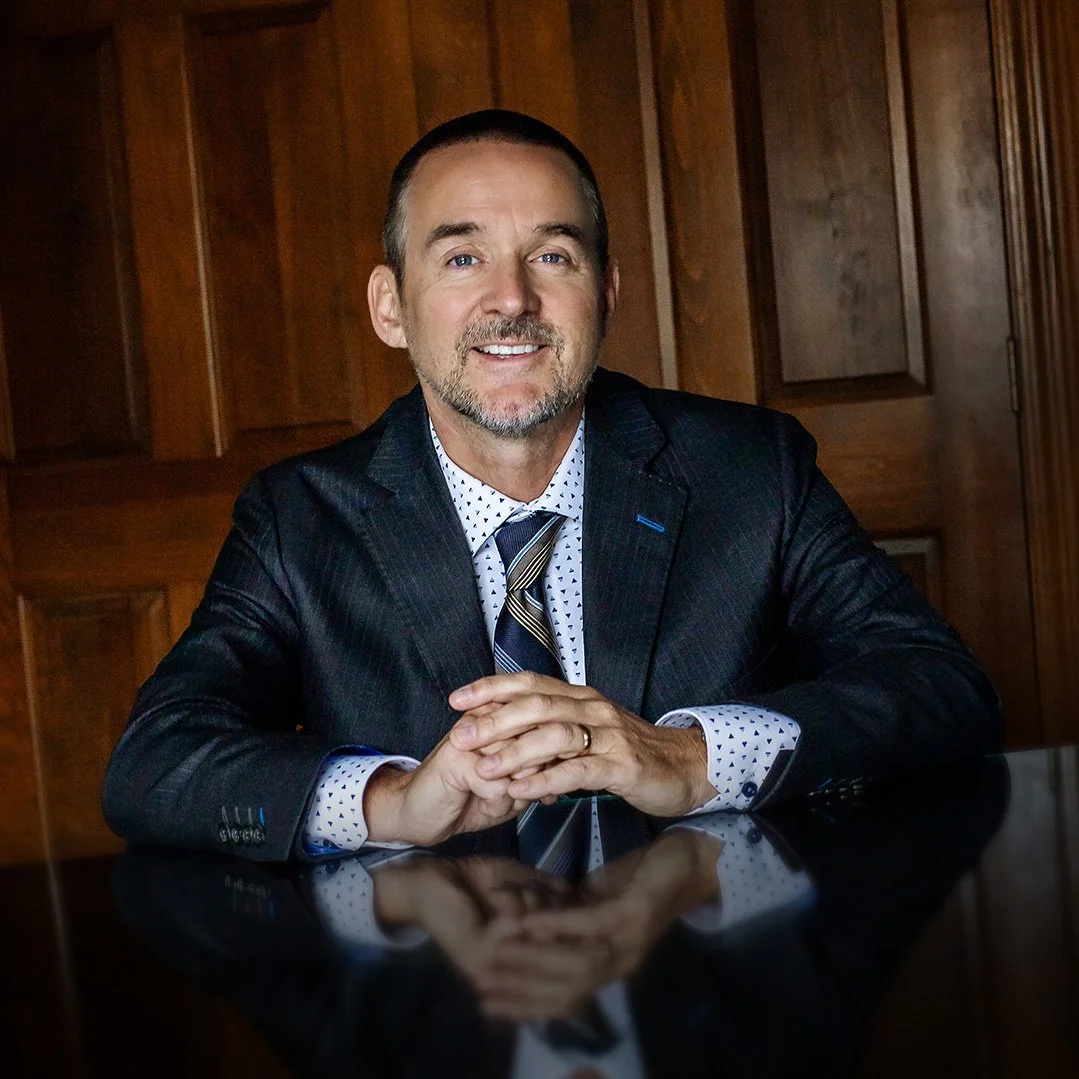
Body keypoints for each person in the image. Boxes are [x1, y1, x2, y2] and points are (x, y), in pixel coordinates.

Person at [101, 110, 1000, 862]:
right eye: (460, 259)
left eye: (553, 256)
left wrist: (694, 758)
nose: (512, 300)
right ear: (389, 306)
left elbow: (943, 691)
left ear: (606, 292)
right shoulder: (298, 520)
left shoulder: (750, 469)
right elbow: (150, 773)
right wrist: (390, 802)